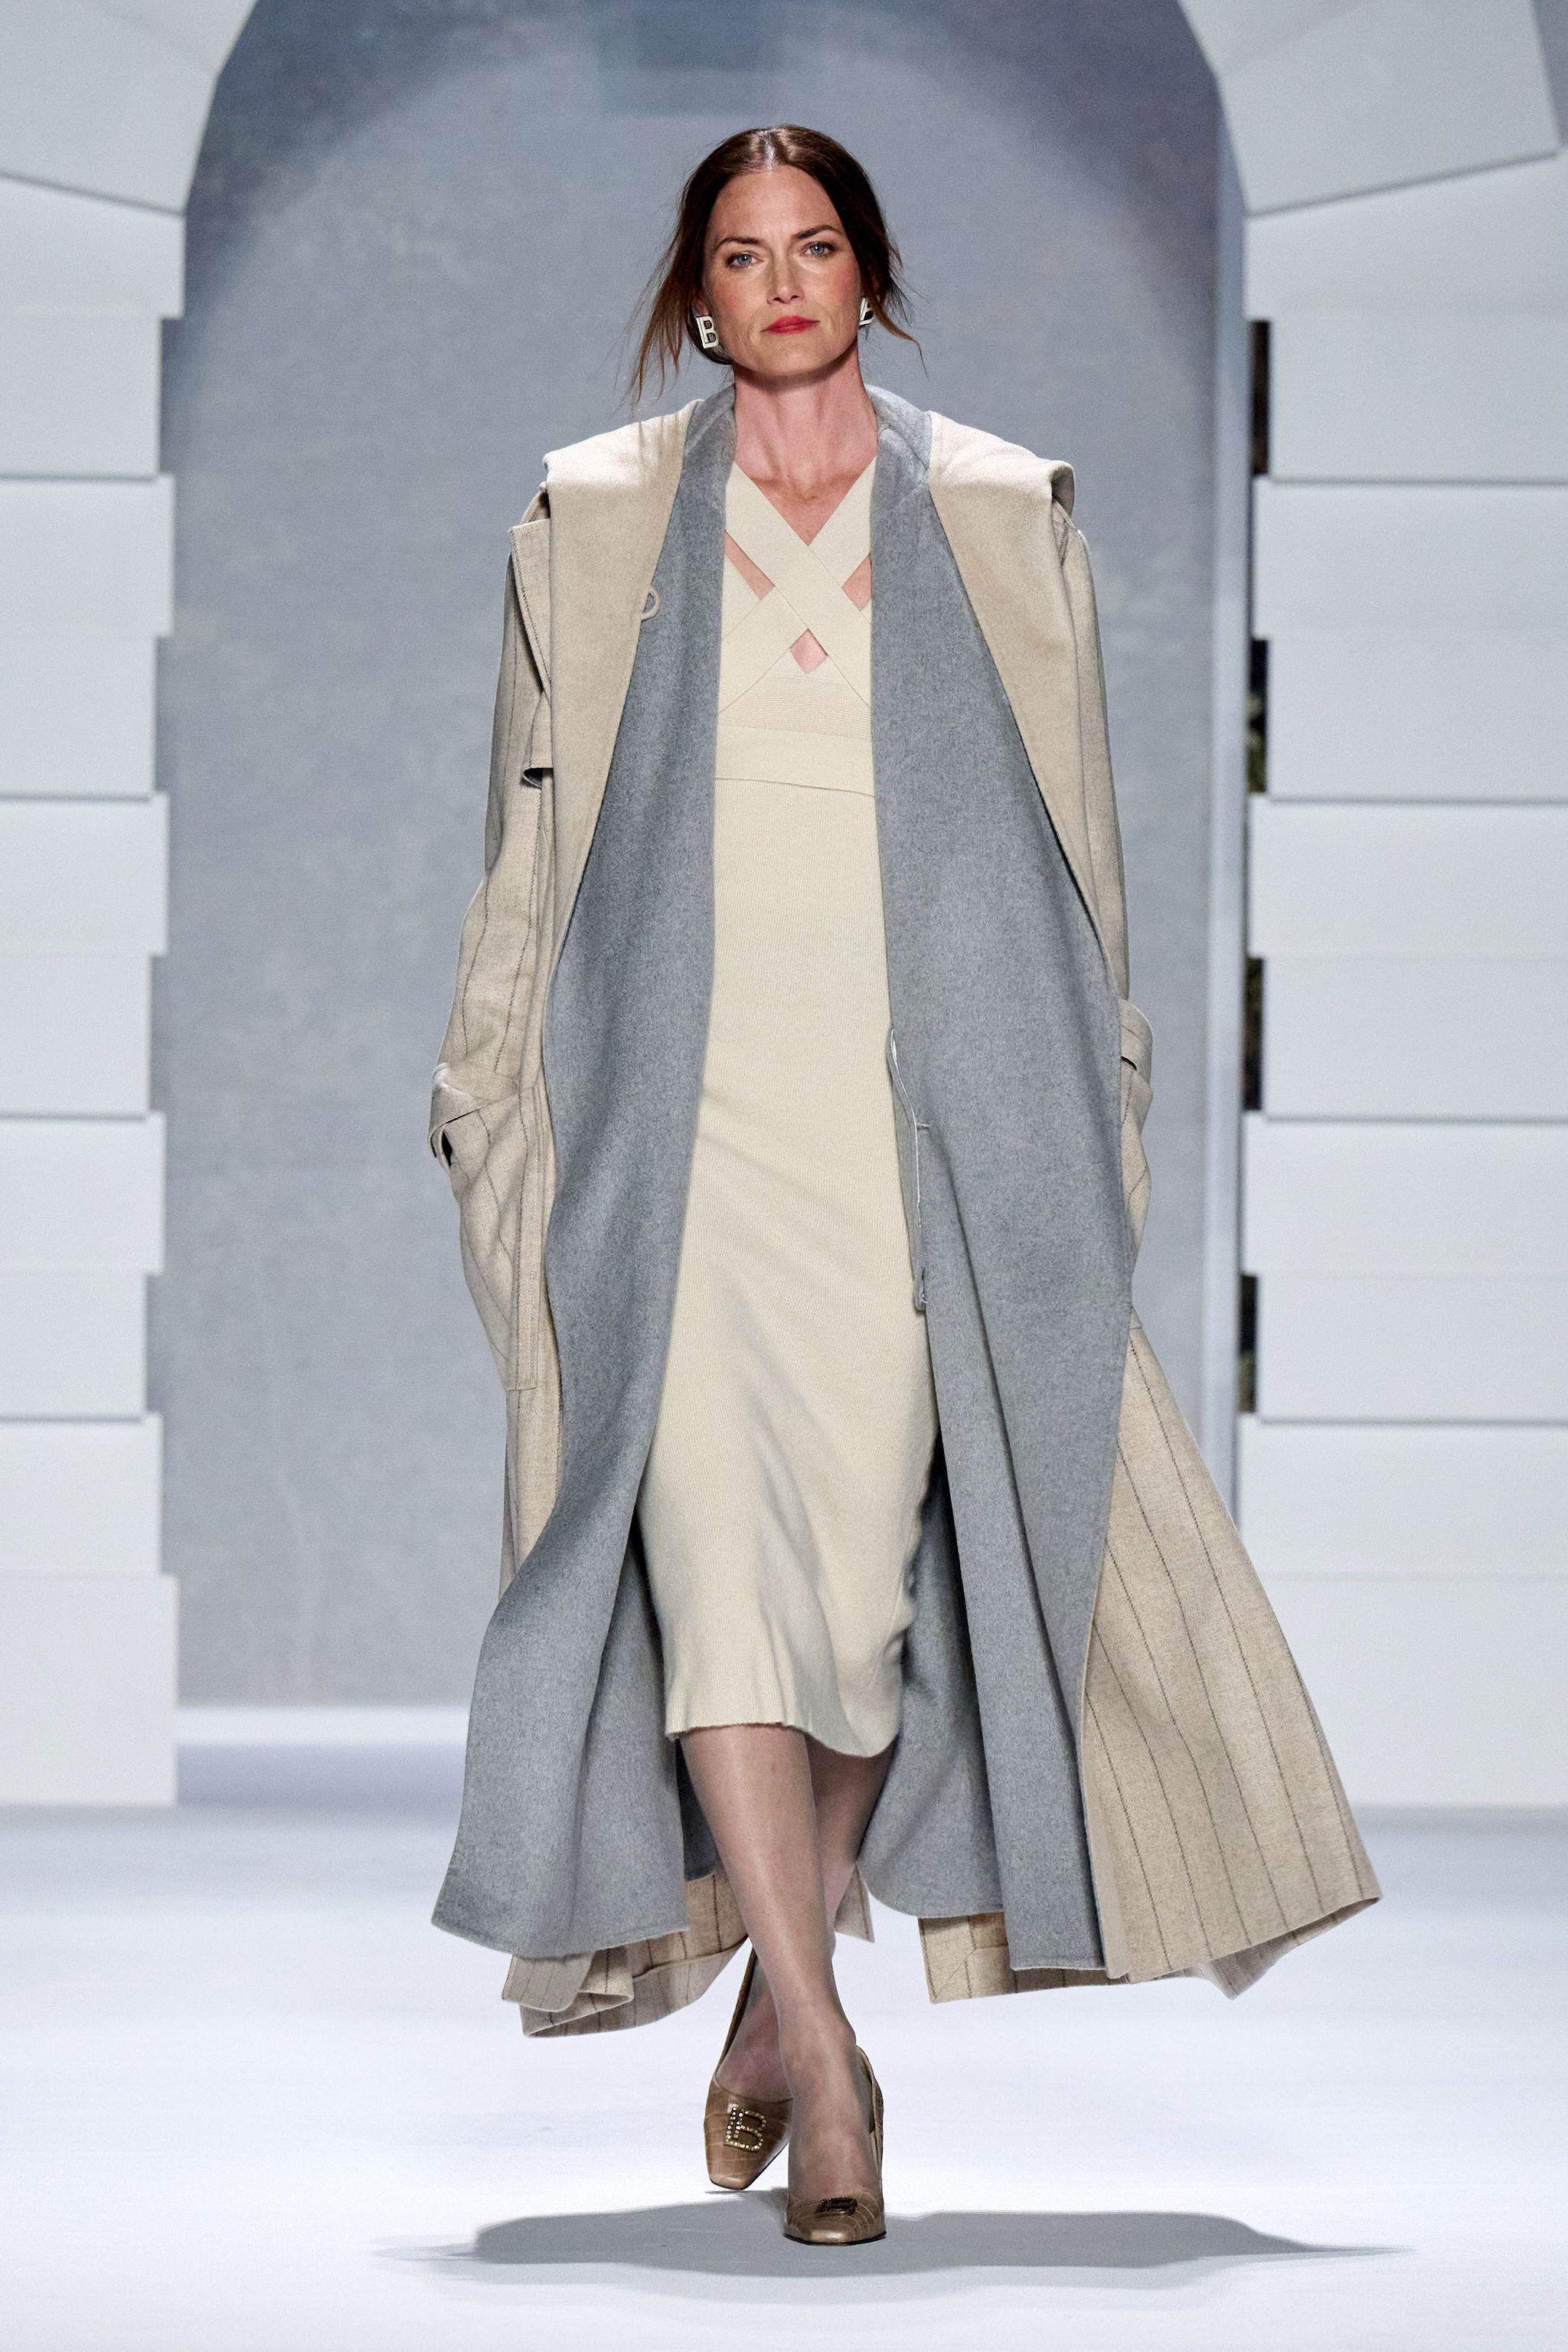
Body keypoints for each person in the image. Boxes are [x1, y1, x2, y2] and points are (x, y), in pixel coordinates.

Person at [429, 125, 1378, 2249]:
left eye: (816, 246)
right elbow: (526, 840)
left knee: (862, 1596)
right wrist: (487, 1092)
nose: (782, 283)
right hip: (681, 1128)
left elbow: (1085, 861)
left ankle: (780, 2001)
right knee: (713, 1571)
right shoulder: (594, 518)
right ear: (697, 299)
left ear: (868, 273)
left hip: (915, 1119)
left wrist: (1102, 1105)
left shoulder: (1001, 515)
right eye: (740, 255)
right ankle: (829, 2063)